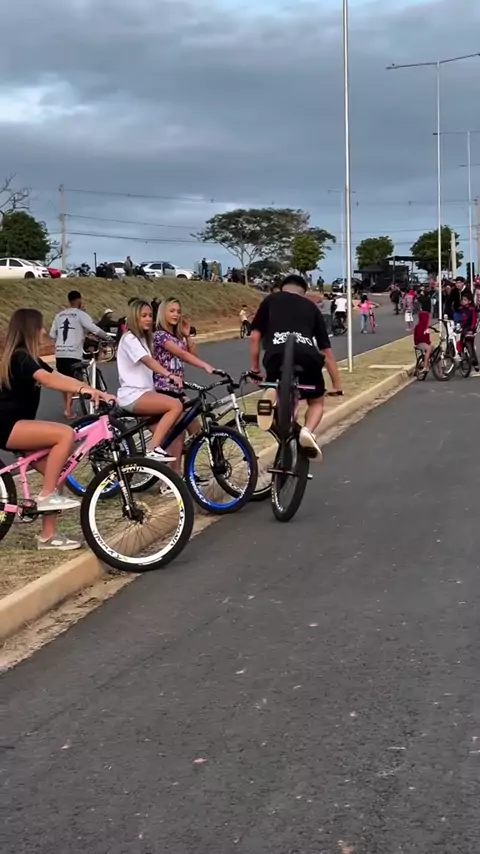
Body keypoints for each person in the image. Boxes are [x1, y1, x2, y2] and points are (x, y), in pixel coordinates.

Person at [0, 308, 114, 551]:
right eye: (41, 326)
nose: (44, 331)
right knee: (65, 434)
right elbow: (49, 380)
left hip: (16, 424)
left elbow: (59, 377)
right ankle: (46, 496)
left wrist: (93, 390)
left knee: (58, 472)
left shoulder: (30, 358)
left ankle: (48, 537)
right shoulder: (20, 357)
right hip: (6, 426)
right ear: (31, 329)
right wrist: (85, 390)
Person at [249, 274, 343, 459]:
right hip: (307, 355)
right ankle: (307, 431)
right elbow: (327, 352)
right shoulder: (312, 307)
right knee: (316, 401)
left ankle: (273, 396)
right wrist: (337, 385)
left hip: (276, 354)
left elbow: (255, 337)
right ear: (304, 292)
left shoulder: (271, 300)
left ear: (282, 289)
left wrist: (255, 369)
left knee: (275, 384)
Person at [116, 299, 184, 460]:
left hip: (146, 394)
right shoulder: (129, 339)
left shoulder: (143, 339)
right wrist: (169, 375)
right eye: (143, 316)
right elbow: (147, 360)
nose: (148, 319)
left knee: (174, 435)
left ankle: (171, 474)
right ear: (135, 317)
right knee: (175, 405)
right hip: (133, 395)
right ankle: (152, 449)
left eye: (150, 315)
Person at [153, 297, 216, 470]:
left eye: (178, 312)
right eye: (172, 311)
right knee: (178, 434)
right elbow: (182, 354)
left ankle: (188, 470)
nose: (176, 315)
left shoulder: (177, 337)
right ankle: (173, 476)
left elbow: (192, 355)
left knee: (196, 430)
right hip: (164, 389)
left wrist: (187, 336)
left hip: (178, 390)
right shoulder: (160, 335)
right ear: (163, 313)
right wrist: (205, 366)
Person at [49, 290, 113, 419]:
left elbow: (52, 335)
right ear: (79, 300)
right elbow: (94, 329)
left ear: (69, 301)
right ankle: (68, 410)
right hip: (73, 353)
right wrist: (108, 338)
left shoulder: (59, 315)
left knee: (64, 381)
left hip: (60, 352)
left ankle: (67, 407)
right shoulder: (81, 315)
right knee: (73, 381)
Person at [457, 290, 479, 371]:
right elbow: (459, 319)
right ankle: (463, 360)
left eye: (465, 300)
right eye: (463, 300)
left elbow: (474, 320)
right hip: (463, 329)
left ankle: (475, 363)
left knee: (470, 346)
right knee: (460, 344)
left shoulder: (472, 309)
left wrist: (472, 329)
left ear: (469, 301)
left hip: (470, 330)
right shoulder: (461, 309)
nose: (463, 301)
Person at [413, 310, 432, 375]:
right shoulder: (418, 327)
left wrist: (429, 342)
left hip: (426, 344)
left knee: (437, 351)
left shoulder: (426, 327)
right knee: (428, 348)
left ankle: (441, 372)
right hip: (420, 343)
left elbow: (428, 338)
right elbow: (418, 338)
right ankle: (425, 366)